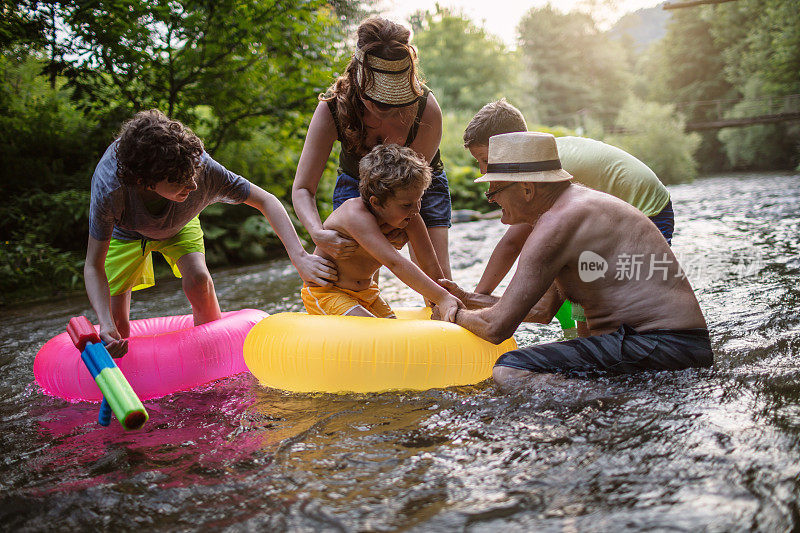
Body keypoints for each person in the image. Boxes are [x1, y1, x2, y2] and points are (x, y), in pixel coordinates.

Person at [434, 132, 713, 388]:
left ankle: (607, 407)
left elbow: (497, 327)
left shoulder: (555, 225)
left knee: (511, 369)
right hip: (677, 346)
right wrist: (466, 298)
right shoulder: (574, 208)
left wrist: (453, 314)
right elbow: (542, 310)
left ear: (527, 189)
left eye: (494, 191)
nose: (491, 200)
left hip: (658, 345)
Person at [86, 110, 337, 357]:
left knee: (199, 280)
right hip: (125, 231)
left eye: (192, 176)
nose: (193, 186)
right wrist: (105, 324)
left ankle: (213, 361)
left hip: (179, 223)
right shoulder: (111, 190)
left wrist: (299, 257)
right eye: (179, 181)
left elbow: (266, 200)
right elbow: (93, 265)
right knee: (116, 327)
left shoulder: (201, 169)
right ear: (146, 182)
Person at [463, 99, 674, 335]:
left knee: (602, 297)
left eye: (485, 159)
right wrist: (476, 297)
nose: (483, 170)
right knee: (580, 288)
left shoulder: (543, 170)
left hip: (648, 210)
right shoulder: (538, 160)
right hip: (617, 211)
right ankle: (587, 345)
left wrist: (472, 299)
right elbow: (515, 241)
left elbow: (514, 243)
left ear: (508, 144)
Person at [292, 16, 453, 282]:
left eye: (394, 100)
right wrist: (318, 233)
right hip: (356, 185)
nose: (385, 109)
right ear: (357, 79)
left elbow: (414, 193)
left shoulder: (426, 108)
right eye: (376, 99)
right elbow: (302, 188)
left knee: (438, 280)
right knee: (354, 281)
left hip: (420, 187)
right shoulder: (332, 109)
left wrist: (401, 226)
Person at [301, 144, 462, 321]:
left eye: (419, 199)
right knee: (376, 332)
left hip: (368, 293)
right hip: (327, 293)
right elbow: (394, 263)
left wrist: (443, 301)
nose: (416, 209)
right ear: (376, 202)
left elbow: (430, 265)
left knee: (392, 331)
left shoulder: (410, 216)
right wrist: (442, 297)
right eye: (406, 204)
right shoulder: (354, 215)